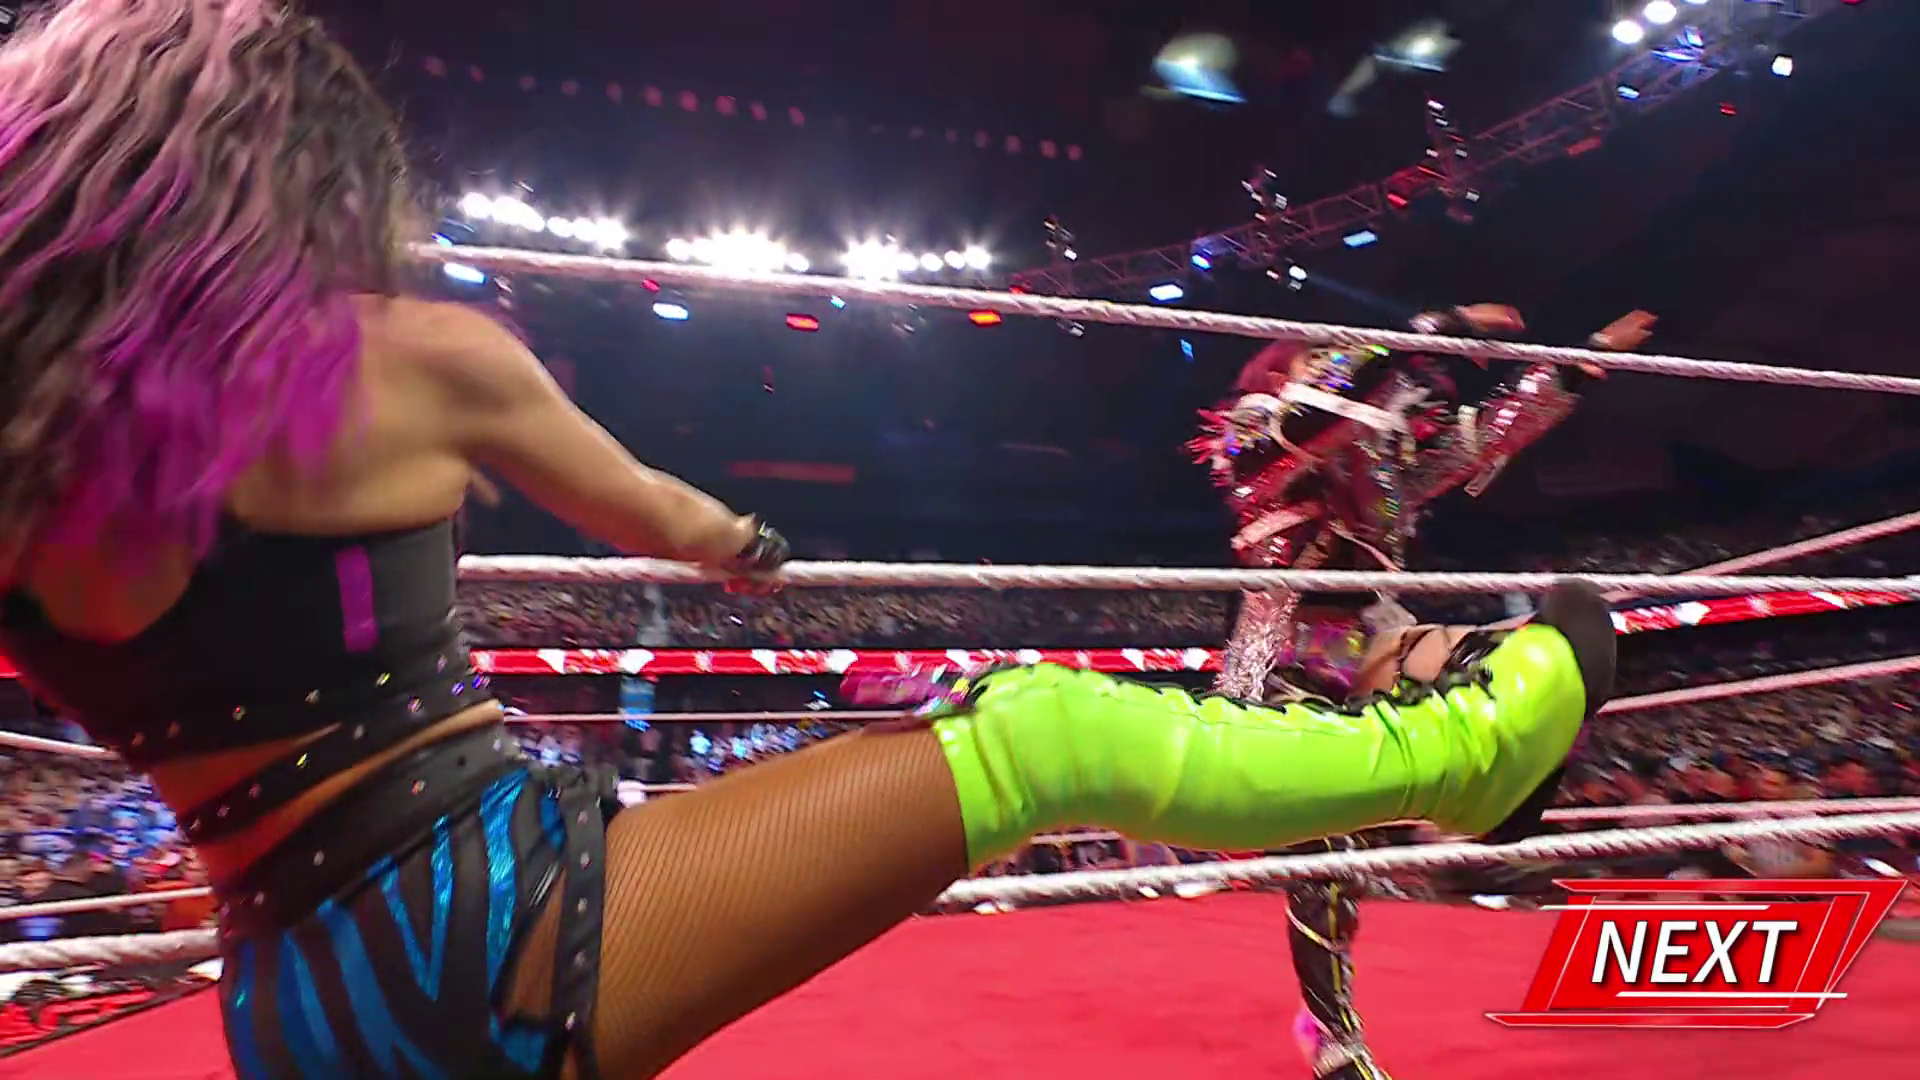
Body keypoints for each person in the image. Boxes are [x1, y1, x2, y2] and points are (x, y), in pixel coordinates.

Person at [0, 4, 1614, 1078]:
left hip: (285, 997)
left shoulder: (27, 453)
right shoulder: (412, 356)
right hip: (483, 928)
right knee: (1040, 734)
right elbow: (670, 522)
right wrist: (754, 546)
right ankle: (1470, 753)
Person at [1190, 304, 1655, 1080]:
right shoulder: (1257, 446)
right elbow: (1321, 412)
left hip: (1376, 654)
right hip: (1284, 673)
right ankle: (1332, 1031)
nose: (1336, 363)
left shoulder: (1378, 471)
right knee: (1327, 856)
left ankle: (1471, 836)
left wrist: (1579, 358)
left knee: (1523, 668)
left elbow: (1482, 438)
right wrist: (1434, 326)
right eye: (1319, 356)